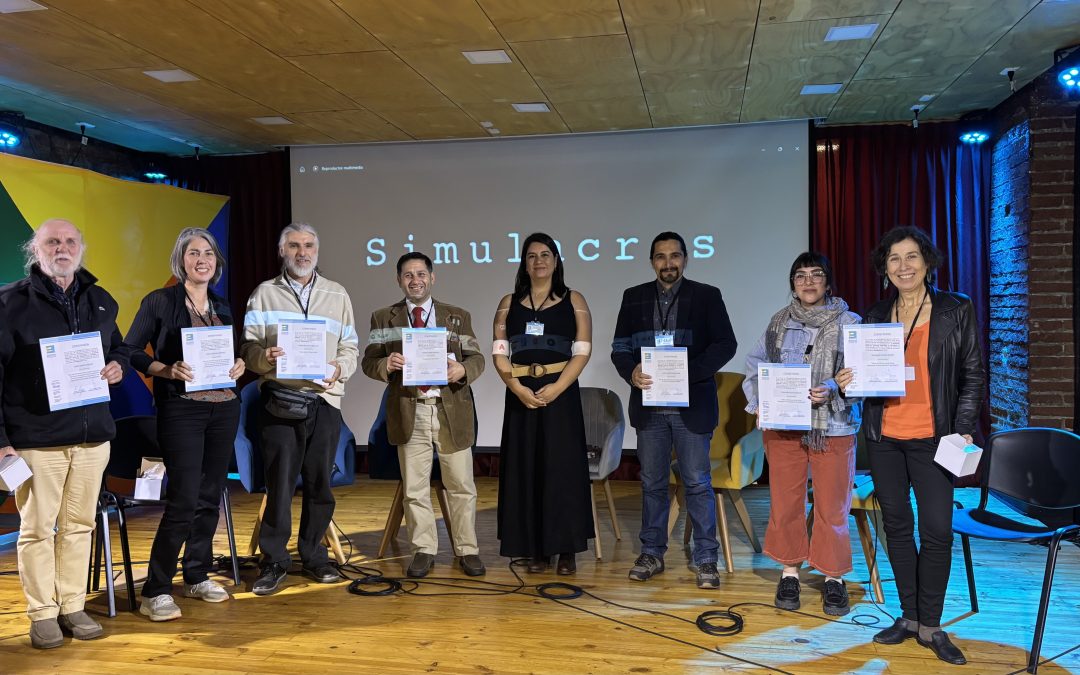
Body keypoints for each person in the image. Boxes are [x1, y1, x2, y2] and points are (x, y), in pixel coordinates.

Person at [837, 226, 984, 665]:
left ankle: (932, 624)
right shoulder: (876, 314)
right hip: (884, 440)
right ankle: (909, 615)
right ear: (884, 268)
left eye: (911, 257)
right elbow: (862, 379)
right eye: (894, 259)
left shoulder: (956, 309)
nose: (903, 266)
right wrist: (849, 382)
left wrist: (961, 428)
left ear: (927, 262)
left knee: (936, 531)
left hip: (936, 440)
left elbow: (973, 375)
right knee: (897, 529)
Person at [0, 219, 127, 648]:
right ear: (35, 250)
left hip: (93, 439)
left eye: (71, 241)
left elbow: (119, 350)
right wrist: (2, 442)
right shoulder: (8, 303)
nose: (62, 247)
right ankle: (42, 613)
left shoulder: (101, 299)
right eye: (52, 241)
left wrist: (118, 367)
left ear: (81, 248)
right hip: (36, 440)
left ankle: (72, 604)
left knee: (79, 526)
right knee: (37, 529)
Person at [123, 228, 245, 621]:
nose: (202, 260)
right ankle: (155, 589)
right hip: (182, 412)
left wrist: (239, 365)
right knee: (184, 500)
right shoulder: (160, 301)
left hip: (224, 408)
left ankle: (196, 574)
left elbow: (232, 355)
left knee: (210, 497)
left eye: (208, 253)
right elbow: (130, 352)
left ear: (217, 262)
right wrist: (167, 369)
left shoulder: (223, 306)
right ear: (181, 260)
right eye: (194, 253)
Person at [611, 231, 737, 589]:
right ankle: (652, 552)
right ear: (652, 261)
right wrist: (630, 371)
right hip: (650, 408)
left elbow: (726, 343)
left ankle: (706, 558)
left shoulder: (707, 296)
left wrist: (689, 374)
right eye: (661, 256)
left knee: (697, 483)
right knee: (652, 483)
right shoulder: (632, 298)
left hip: (691, 407)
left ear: (686, 258)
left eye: (675, 256)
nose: (668, 263)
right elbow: (619, 346)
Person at [240, 222, 359, 595]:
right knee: (279, 485)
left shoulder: (337, 294)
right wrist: (265, 357)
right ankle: (274, 561)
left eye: (308, 245)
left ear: (317, 252)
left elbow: (350, 348)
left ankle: (314, 556)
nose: (302, 252)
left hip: (324, 401)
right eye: (294, 246)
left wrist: (339, 368)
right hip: (280, 399)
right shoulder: (263, 294)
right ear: (282, 251)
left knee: (320, 484)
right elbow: (248, 350)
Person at [743, 252, 861, 616]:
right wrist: (759, 401)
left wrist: (833, 388)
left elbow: (863, 379)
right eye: (800, 276)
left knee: (832, 507)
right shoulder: (778, 323)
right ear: (792, 283)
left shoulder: (851, 322)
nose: (808, 282)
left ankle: (833, 578)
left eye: (816, 275)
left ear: (828, 282)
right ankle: (790, 571)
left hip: (834, 427)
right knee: (786, 502)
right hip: (784, 428)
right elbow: (755, 366)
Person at [361, 252, 486, 578]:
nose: (415, 280)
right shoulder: (382, 317)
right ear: (399, 280)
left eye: (420, 274)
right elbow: (368, 362)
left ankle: (467, 549)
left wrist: (462, 368)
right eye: (407, 275)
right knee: (414, 488)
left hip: (451, 411)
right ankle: (423, 549)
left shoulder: (457, 316)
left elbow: (478, 359)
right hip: (408, 410)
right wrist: (384, 365)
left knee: (461, 484)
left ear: (432, 278)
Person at [492, 232, 593, 574]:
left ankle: (566, 550)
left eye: (545, 254)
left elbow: (582, 351)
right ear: (524, 262)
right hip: (521, 395)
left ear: (556, 260)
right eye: (532, 255)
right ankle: (535, 549)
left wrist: (558, 388)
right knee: (526, 469)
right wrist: (517, 387)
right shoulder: (508, 302)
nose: (539, 261)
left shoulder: (574, 299)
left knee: (561, 470)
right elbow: (500, 352)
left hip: (560, 397)